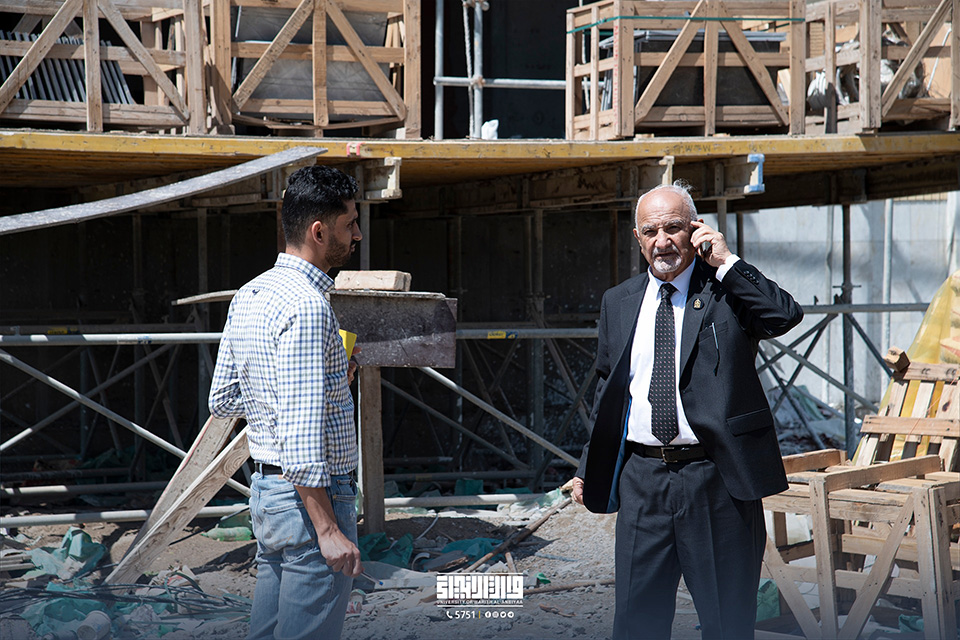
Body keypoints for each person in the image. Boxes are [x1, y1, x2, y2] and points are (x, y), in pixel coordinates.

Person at [571, 182, 803, 639]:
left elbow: (784, 316)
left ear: (695, 230)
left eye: (673, 228)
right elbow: (610, 391)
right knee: (636, 622)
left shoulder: (724, 292)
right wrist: (587, 465)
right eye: (650, 231)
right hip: (642, 482)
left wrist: (726, 262)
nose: (662, 242)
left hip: (715, 479)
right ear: (638, 239)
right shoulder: (619, 301)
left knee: (726, 622)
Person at [208, 165, 364, 640]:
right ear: (319, 232)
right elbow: (300, 439)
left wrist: (326, 382)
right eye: (350, 224)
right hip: (310, 503)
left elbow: (224, 399)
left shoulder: (250, 293)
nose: (357, 236)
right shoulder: (309, 306)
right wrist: (328, 529)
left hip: (269, 496)